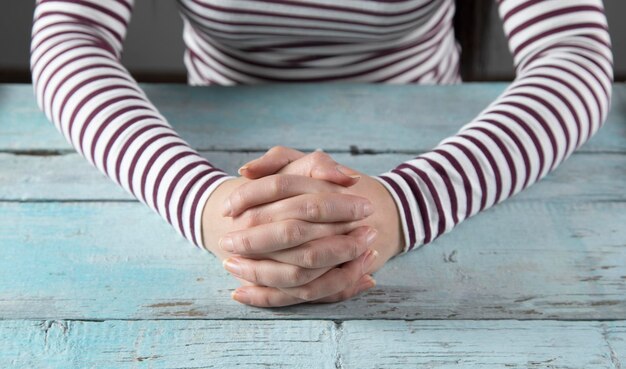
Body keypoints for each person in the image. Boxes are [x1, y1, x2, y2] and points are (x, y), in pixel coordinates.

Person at [30, 0, 613, 307]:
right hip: (227, 168)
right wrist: (205, 202)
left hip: (434, 141)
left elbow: (575, 52)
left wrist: (404, 205)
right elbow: (66, 36)